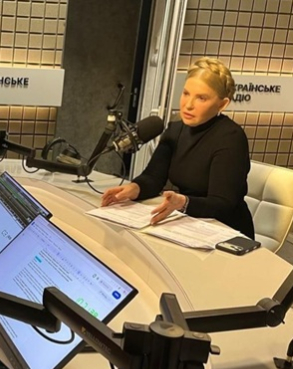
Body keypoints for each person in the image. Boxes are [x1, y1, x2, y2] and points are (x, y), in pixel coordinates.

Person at [101, 57, 254, 239]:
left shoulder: (231, 138)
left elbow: (222, 204)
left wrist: (184, 202)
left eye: (201, 98)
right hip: (189, 223)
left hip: (227, 232)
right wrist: (135, 188)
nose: (188, 105)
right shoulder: (176, 129)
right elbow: (153, 177)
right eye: (186, 94)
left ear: (222, 104)